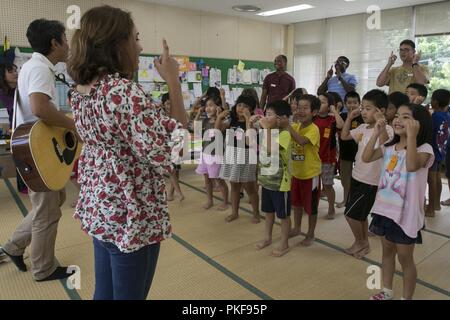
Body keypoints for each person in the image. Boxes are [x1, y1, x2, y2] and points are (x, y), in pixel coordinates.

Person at [67, 5, 187, 300]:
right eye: (135, 38)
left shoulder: (80, 91)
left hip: (102, 207)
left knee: (104, 293)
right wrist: (173, 79)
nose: (140, 46)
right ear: (116, 43)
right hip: (132, 214)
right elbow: (173, 147)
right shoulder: (122, 91)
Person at [0, 19, 74, 282]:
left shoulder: (32, 66)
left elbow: (38, 109)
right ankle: (44, 268)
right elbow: (41, 108)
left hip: (32, 146)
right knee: (46, 210)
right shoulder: (40, 68)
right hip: (35, 150)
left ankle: (14, 246)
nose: (68, 44)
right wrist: (73, 125)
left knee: (55, 201)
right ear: (54, 42)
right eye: (65, 39)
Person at [363, 104, 433, 300]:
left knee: (405, 258)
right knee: (387, 252)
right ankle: (386, 290)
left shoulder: (424, 149)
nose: (398, 120)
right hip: (385, 210)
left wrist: (411, 137)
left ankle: (406, 297)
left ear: (419, 124)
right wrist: (377, 133)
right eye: (398, 116)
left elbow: (411, 166)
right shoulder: (389, 147)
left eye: (406, 117)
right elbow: (366, 157)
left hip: (406, 215)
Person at [340, 89, 394, 259]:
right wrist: (349, 117)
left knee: (350, 215)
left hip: (370, 181)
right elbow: (344, 136)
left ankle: (361, 241)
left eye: (368, 108)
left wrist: (381, 124)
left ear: (381, 111)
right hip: (357, 176)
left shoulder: (388, 130)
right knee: (360, 216)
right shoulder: (363, 127)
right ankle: (363, 243)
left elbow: (386, 143)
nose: (363, 111)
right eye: (362, 108)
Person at [255, 100, 292, 256]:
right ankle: (268, 237)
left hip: (280, 183)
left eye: (269, 115)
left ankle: (284, 243)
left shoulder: (285, 134)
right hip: (266, 181)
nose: (265, 117)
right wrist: (251, 121)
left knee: (283, 215)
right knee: (268, 212)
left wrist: (266, 128)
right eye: (266, 114)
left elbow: (272, 149)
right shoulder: (267, 130)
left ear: (280, 118)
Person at [216, 95, 260, 223]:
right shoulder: (232, 120)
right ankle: (234, 212)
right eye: (239, 105)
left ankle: (256, 213)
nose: (241, 108)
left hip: (246, 155)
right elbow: (217, 131)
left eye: (246, 106)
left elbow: (249, 140)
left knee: (250, 188)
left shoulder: (253, 122)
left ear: (251, 109)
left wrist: (247, 120)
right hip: (231, 153)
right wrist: (219, 117)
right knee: (234, 186)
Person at [287, 94, 322, 246]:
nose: (300, 111)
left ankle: (310, 233)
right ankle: (297, 228)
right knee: (296, 204)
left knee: (311, 207)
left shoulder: (313, 129)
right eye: (298, 107)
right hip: (296, 173)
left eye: (305, 108)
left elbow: (300, 141)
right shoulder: (296, 126)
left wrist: (288, 125)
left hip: (310, 174)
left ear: (314, 112)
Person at [194, 95, 229, 210]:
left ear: (217, 107)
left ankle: (225, 202)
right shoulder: (206, 120)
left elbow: (216, 131)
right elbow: (197, 132)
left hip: (216, 155)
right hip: (205, 153)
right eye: (206, 106)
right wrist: (198, 115)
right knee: (207, 179)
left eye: (211, 105)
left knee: (219, 179)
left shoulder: (224, 122)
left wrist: (219, 116)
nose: (208, 108)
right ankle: (210, 200)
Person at [0, 62, 28, 194]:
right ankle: (23, 186)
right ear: (3, 76)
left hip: (27, 125)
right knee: (19, 156)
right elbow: (12, 107)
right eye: (11, 71)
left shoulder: (22, 87)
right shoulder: (3, 92)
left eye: (16, 70)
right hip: (15, 128)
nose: (16, 73)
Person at [315, 93, 344, 218]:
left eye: (323, 102)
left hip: (327, 159)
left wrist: (334, 111)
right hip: (313, 158)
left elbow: (341, 125)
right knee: (314, 186)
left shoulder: (332, 119)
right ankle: (312, 206)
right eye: (318, 101)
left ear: (329, 106)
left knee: (327, 185)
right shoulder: (313, 118)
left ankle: (331, 208)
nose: (320, 104)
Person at [337, 92, 363, 208]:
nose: (352, 105)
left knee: (359, 179)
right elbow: (339, 128)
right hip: (345, 152)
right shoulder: (342, 117)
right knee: (345, 179)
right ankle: (346, 200)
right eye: (349, 102)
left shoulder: (363, 117)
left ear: (359, 103)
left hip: (360, 154)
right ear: (345, 104)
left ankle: (356, 201)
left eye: (355, 102)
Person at [426, 89, 450, 217]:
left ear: (434, 101)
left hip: (433, 151)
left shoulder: (435, 116)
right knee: (437, 177)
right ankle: (436, 204)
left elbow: (430, 131)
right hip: (442, 150)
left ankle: (430, 209)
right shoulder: (447, 116)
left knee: (431, 178)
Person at [161, 93, 185, 202]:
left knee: (176, 170)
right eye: (167, 103)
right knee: (171, 171)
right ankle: (179, 193)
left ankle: (171, 193)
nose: (170, 106)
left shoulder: (177, 115)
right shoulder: (161, 116)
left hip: (177, 145)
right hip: (166, 146)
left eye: (171, 103)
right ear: (163, 104)